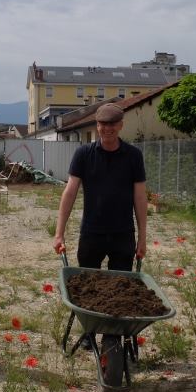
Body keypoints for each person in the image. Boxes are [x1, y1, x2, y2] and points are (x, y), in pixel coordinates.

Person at [54, 103, 148, 348]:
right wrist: (59, 233)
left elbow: (140, 197)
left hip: (123, 234)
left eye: (112, 124)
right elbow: (70, 191)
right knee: (88, 288)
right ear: (97, 126)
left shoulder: (133, 156)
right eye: (102, 124)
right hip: (92, 233)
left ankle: (114, 334)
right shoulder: (84, 155)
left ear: (120, 125)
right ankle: (89, 331)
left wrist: (143, 237)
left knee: (121, 288)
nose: (107, 129)